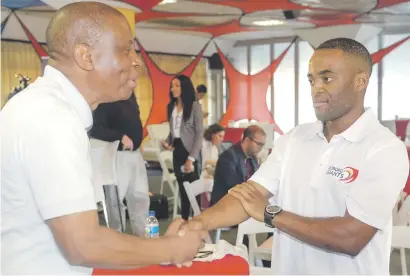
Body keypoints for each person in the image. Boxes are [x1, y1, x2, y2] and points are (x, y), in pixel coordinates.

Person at [167, 38, 409, 274]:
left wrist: (272, 214)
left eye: (327, 78)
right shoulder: (294, 139)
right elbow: (248, 197)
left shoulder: (384, 148)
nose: (317, 88)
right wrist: (197, 224)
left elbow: (351, 236)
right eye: (312, 80)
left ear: (360, 82)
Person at [1, 2, 205, 275]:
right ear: (86, 56)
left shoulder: (47, 108)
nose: (136, 60)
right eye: (125, 49)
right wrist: (171, 248)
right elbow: (82, 245)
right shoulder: (51, 117)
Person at [89, 91, 149, 236]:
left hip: (135, 156)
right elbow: (95, 129)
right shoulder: (106, 97)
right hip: (117, 156)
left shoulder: (130, 96)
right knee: (116, 202)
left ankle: (143, 239)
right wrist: (120, 137)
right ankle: (117, 239)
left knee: (140, 197)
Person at [162, 75, 203, 221]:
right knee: (182, 189)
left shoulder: (195, 106)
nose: (173, 88)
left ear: (184, 87)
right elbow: (174, 131)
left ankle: (197, 222)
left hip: (191, 151)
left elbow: (199, 135)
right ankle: (185, 222)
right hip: (178, 150)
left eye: (177, 85)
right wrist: (167, 141)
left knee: (194, 190)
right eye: (172, 86)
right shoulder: (171, 107)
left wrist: (191, 159)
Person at [210, 125, 265, 206]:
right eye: (258, 144)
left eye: (262, 145)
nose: (261, 148)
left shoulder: (253, 158)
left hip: (242, 204)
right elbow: (235, 185)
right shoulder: (228, 157)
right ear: (247, 140)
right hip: (224, 207)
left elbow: (257, 180)